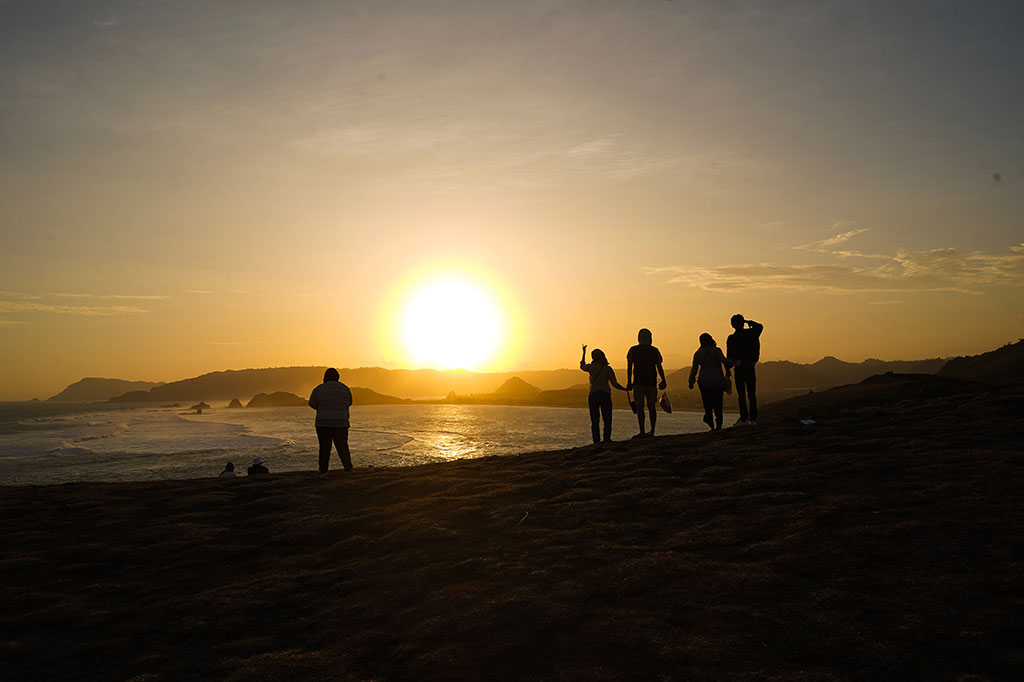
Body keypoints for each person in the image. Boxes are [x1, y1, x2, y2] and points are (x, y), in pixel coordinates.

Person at [580, 344, 629, 444]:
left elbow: (582, 366)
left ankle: (596, 442)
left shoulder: (591, 367)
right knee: (607, 420)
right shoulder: (607, 369)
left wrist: (583, 353)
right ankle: (607, 439)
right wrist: (624, 389)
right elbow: (614, 384)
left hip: (593, 395)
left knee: (595, 421)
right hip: (605, 395)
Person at [308, 367, 354, 474]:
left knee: (324, 447)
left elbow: (312, 404)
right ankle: (348, 468)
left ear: (325, 377)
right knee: (342, 445)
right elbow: (349, 402)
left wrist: (322, 408)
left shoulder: (318, 389)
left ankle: (323, 470)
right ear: (338, 377)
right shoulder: (344, 389)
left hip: (323, 422)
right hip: (341, 421)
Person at [626, 328, 667, 438]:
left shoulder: (633, 350)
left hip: (638, 382)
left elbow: (630, 368)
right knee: (651, 406)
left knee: (640, 407)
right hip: (651, 382)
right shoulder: (654, 350)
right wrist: (663, 379)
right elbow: (659, 366)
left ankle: (642, 431)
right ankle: (652, 431)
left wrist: (629, 382)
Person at [688, 333, 733, 431]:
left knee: (707, 403)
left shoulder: (698, 353)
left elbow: (694, 369)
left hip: (704, 381)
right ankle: (719, 425)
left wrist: (691, 381)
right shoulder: (716, 351)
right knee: (718, 403)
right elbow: (725, 361)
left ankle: (711, 425)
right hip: (718, 380)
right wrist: (735, 362)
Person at [726, 314, 764, 425]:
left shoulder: (731, 338)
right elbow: (760, 326)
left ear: (732, 325)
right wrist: (748, 321)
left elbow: (730, 356)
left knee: (741, 395)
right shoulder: (752, 333)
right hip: (750, 367)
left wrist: (728, 369)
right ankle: (753, 419)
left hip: (739, 368)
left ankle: (744, 419)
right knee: (751, 394)